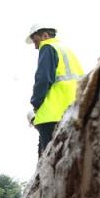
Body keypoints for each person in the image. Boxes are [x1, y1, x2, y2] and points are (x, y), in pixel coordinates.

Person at [26, 24, 84, 156]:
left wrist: (36, 103)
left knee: (50, 158)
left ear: (45, 36)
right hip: (73, 110)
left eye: (35, 41)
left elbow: (43, 79)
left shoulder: (47, 47)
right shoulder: (67, 51)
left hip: (52, 114)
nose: (35, 46)